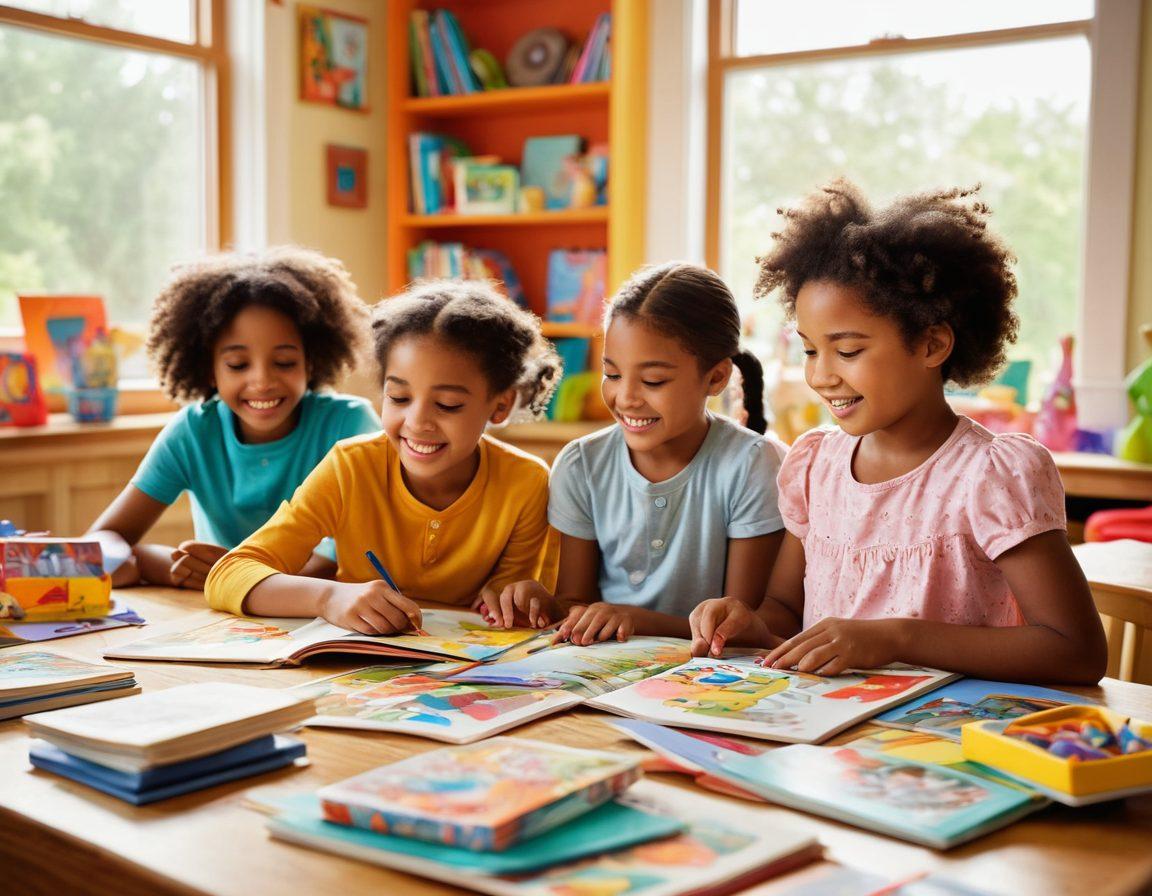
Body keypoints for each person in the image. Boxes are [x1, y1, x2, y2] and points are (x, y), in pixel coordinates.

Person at [690, 180, 1107, 684]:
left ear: (932, 345)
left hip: (950, 743)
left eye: (847, 351)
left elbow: (1077, 651)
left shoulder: (990, 476)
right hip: (837, 742)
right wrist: (747, 621)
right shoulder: (816, 466)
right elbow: (783, 609)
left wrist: (895, 638)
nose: (821, 375)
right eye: (809, 350)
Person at [204, 279, 561, 634]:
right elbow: (229, 574)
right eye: (399, 398)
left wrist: (517, 597)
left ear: (499, 406)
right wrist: (328, 597)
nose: (417, 422)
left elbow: (514, 596)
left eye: (447, 405)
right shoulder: (350, 467)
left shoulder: (525, 481)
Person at [488, 262, 784, 645]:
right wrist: (540, 603)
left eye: (653, 381)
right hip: (606, 671)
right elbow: (575, 604)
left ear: (716, 378)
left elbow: (739, 627)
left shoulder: (751, 465)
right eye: (612, 374)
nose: (625, 397)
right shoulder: (581, 465)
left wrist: (635, 619)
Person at [88, 247, 380, 590]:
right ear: (209, 368)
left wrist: (233, 576)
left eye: (284, 362)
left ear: (310, 362)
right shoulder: (193, 431)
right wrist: (165, 565)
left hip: (324, 613)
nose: (262, 381)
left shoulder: (350, 425)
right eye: (238, 365)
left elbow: (350, 557)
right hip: (223, 620)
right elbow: (105, 538)